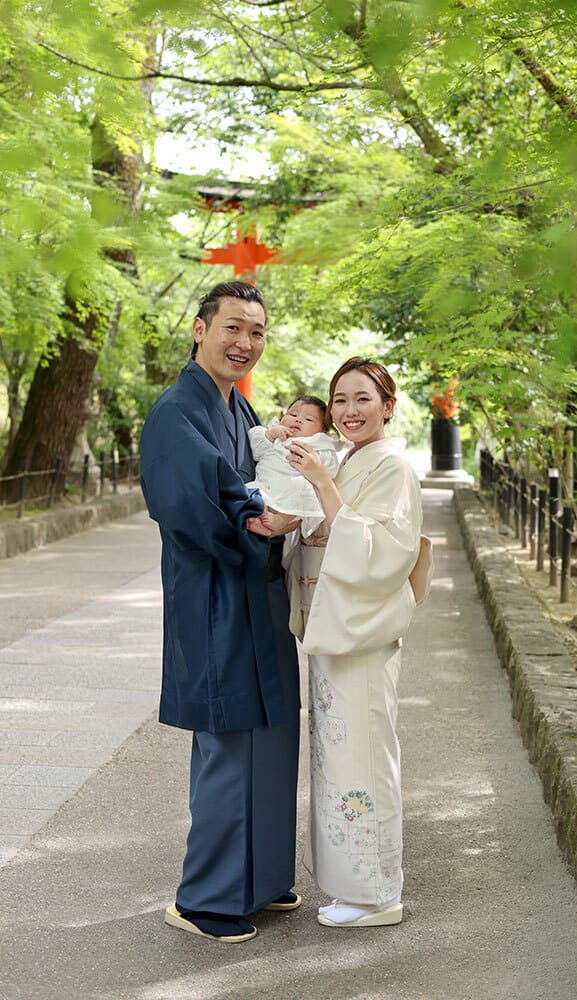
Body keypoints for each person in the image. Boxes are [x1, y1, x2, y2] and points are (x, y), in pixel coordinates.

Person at [139, 281, 301, 944]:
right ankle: (205, 896)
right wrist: (257, 521)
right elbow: (187, 504)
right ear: (200, 330)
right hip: (214, 598)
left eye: (256, 332)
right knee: (229, 743)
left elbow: (258, 477)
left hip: (255, 595)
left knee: (270, 735)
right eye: (233, 328)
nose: (244, 343)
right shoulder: (178, 410)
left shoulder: (238, 406)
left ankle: (258, 883)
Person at [285, 357, 423, 928]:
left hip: (360, 633)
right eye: (339, 400)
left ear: (388, 406)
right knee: (338, 757)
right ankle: (350, 884)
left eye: (363, 399)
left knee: (364, 756)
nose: (348, 411)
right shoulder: (351, 460)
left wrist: (320, 483)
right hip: (333, 628)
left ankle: (377, 894)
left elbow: (383, 550)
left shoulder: (393, 466)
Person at [247, 395, 344, 537]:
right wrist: (270, 435)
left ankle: (281, 519)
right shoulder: (272, 434)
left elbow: (329, 470)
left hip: (292, 487)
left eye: (309, 419)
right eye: (293, 414)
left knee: (303, 487)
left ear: (322, 430)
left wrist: (316, 459)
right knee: (250, 491)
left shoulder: (318, 444)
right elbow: (255, 452)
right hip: (265, 483)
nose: (298, 420)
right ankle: (258, 516)